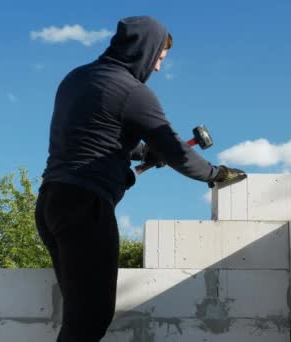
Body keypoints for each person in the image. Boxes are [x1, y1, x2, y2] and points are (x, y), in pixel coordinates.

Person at [34, 16, 245, 342]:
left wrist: (146, 152)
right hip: (86, 208)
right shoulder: (133, 92)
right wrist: (215, 174)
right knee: (91, 317)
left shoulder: (76, 79)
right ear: (145, 49)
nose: (158, 68)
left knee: (79, 317)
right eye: (159, 57)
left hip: (51, 203)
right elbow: (177, 150)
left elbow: (97, 135)